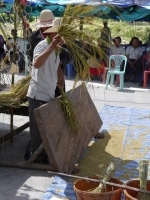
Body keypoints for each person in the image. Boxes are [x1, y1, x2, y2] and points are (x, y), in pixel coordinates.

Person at [25, 17, 64, 163]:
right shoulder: (42, 46)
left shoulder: (57, 48)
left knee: (46, 130)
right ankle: (35, 159)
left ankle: (43, 155)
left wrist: (60, 74)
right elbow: (36, 63)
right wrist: (52, 47)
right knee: (37, 132)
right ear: (53, 34)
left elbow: (57, 62)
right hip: (38, 93)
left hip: (49, 93)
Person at [28, 9, 71, 97]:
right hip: (41, 84)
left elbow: (68, 55)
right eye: (44, 26)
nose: (47, 28)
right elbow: (34, 59)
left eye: (49, 26)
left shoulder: (60, 37)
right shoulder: (35, 37)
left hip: (55, 79)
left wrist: (59, 69)